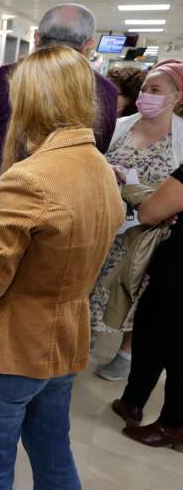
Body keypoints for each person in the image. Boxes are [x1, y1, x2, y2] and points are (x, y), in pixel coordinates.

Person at [0, 46, 124, 489]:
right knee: (54, 454)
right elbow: (55, 241)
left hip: (12, 349)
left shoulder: (29, 176)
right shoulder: (98, 165)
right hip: (63, 343)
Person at [0, 3, 118, 200]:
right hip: (64, 202)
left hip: (2, 194)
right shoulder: (106, 90)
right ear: (89, 44)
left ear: (37, 37)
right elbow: (97, 149)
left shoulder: (7, 76)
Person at [90, 60, 183, 382]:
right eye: (144, 89)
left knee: (136, 292)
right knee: (93, 283)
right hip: (106, 224)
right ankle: (83, 339)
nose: (146, 95)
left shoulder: (180, 139)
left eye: (156, 90)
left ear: (177, 97)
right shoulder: (121, 126)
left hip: (151, 234)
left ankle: (126, 351)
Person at [111, 167, 183, 450]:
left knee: (175, 345)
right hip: (170, 275)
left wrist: (156, 203)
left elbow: (151, 212)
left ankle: (173, 425)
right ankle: (133, 401)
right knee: (152, 328)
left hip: (178, 276)